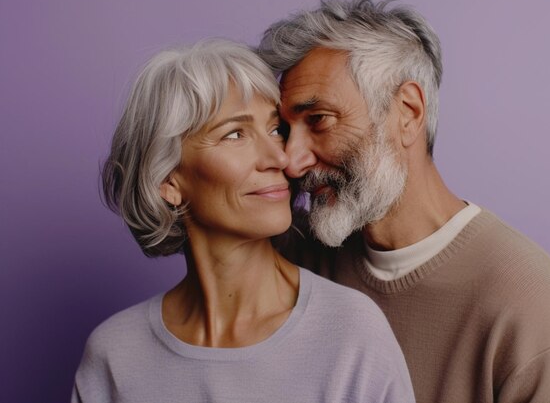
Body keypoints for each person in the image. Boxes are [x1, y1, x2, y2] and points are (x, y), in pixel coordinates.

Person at [259, 0, 550, 403]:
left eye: (319, 120)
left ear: (407, 112)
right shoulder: (295, 263)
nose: (292, 162)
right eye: (285, 129)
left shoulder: (529, 300)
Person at [71, 39, 415, 403]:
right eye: (235, 134)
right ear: (168, 181)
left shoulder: (350, 331)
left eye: (274, 130)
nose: (279, 157)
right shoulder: (115, 354)